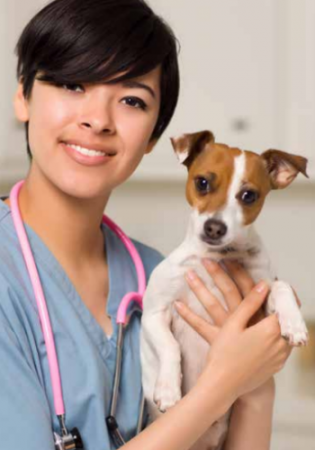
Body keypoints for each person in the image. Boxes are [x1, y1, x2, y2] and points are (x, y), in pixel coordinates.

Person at [0, 0, 295, 449]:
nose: (97, 120)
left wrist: (254, 386)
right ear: (22, 94)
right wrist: (223, 385)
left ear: (155, 135)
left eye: (132, 100)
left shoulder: (160, 275)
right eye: (71, 84)